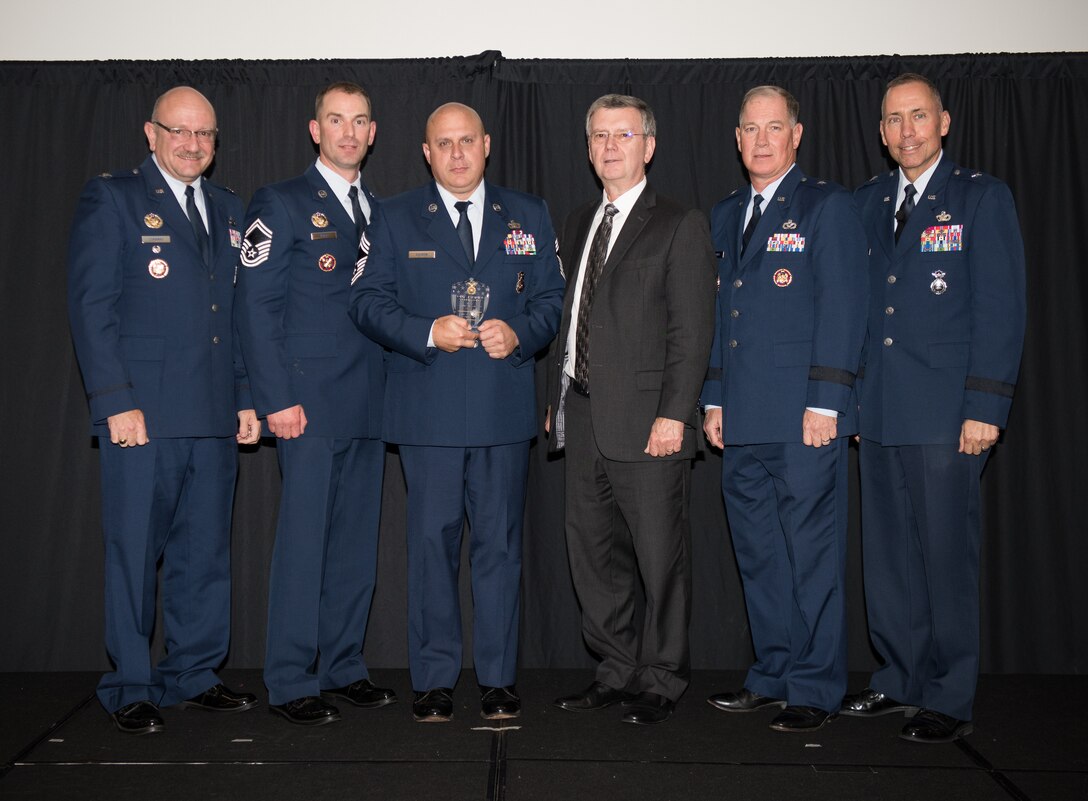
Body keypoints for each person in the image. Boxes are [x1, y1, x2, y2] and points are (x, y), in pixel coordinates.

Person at [349, 102, 564, 723]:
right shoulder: (391, 218)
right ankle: (435, 679)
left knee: (499, 548)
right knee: (430, 547)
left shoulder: (527, 213)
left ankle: (497, 680)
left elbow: (552, 300)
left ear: (487, 144)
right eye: (443, 143)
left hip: (501, 411)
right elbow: (364, 302)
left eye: (466, 140)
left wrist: (520, 332)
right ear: (426, 151)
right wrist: (424, 331)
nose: (457, 153)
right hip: (428, 414)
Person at [67, 86, 260, 735]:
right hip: (142, 416)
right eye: (179, 131)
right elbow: (92, 309)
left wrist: (243, 396)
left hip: (210, 413)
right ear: (151, 135)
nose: (192, 144)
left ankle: (194, 672)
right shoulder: (115, 198)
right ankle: (129, 681)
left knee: (204, 554)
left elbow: (231, 317)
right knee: (133, 554)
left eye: (204, 133)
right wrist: (114, 401)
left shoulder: (229, 208)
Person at [843, 73, 1026, 743]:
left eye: (918, 116)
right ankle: (899, 676)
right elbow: (858, 309)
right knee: (888, 556)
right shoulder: (865, 204)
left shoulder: (980, 198)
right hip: (881, 408)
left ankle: (949, 692)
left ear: (943, 122)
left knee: (946, 556)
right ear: (882, 131)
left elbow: (1000, 310)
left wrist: (986, 404)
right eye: (894, 120)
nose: (907, 131)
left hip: (949, 414)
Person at [701, 86, 869, 732]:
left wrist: (828, 400)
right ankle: (771, 671)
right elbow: (720, 316)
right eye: (751, 128)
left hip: (805, 417)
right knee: (760, 553)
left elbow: (844, 307)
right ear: (737, 139)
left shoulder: (828, 207)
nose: (762, 140)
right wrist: (713, 396)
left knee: (810, 555)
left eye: (775, 127)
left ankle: (815, 683)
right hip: (740, 417)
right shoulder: (724, 215)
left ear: (796, 135)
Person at [546, 94, 716, 725]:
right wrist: (555, 399)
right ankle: (615, 670)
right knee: (593, 556)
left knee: (658, 558)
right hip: (583, 414)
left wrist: (676, 414)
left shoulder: (679, 223)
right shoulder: (577, 221)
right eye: (599, 136)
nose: (609, 146)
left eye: (623, 135)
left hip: (650, 422)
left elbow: (692, 331)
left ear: (649, 145)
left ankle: (662, 678)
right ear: (588, 148)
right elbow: (572, 320)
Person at [234, 82, 395, 726]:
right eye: (336, 120)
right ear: (314, 129)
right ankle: (291, 677)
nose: (349, 132)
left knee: (355, 543)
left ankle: (344, 666)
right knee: (304, 543)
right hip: (307, 403)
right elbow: (255, 305)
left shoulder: (380, 210)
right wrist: (274, 398)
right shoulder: (281, 201)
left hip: (369, 402)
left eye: (360, 121)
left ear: (373, 132)